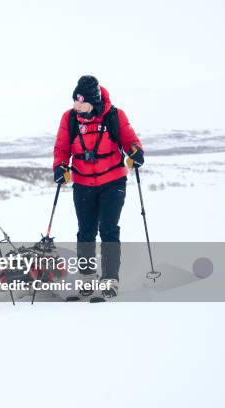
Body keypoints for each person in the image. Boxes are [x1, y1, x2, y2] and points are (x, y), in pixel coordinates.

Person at [53, 75, 145, 299]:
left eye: (81, 102)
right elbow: (62, 147)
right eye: (75, 100)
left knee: (109, 229)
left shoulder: (114, 115)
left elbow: (130, 141)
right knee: (85, 231)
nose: (77, 106)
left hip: (113, 182)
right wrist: (60, 166)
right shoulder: (70, 119)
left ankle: (110, 278)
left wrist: (136, 153)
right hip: (83, 183)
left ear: (94, 101)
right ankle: (87, 277)